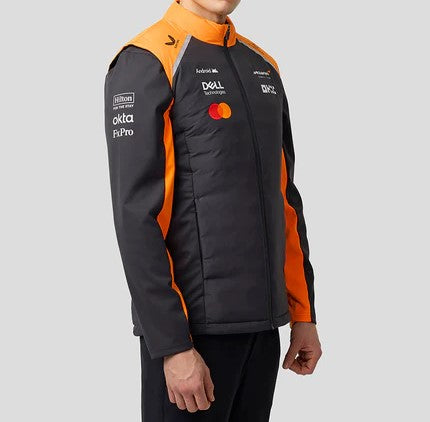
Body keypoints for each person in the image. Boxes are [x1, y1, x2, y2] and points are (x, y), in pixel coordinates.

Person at [104, 0, 322, 420]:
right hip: (191, 339)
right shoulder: (147, 60)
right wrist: (172, 345)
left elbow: (284, 200)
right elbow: (136, 216)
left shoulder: (262, 65)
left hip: (263, 331)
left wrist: (302, 314)